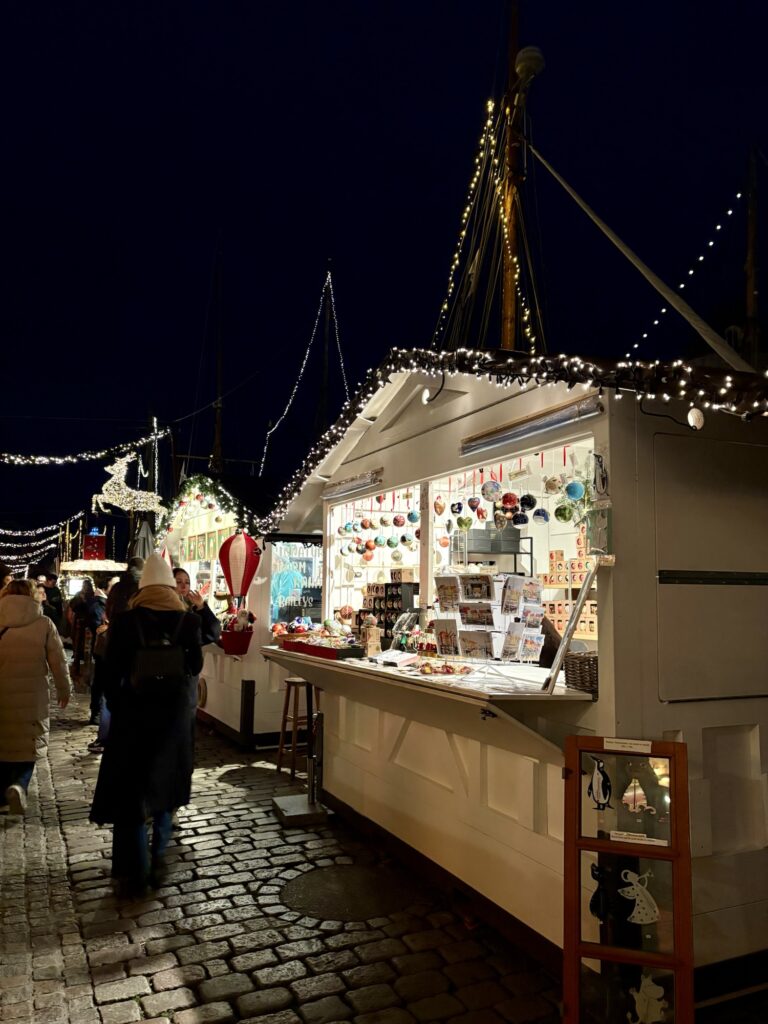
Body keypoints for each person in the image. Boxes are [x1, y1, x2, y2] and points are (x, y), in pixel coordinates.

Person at [90, 553, 202, 896]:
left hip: (135, 716)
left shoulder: (125, 622)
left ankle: (134, 870)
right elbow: (194, 667)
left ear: (143, 588)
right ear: (171, 588)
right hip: (174, 717)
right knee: (166, 787)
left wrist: (120, 705)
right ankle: (159, 854)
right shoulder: (188, 623)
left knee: (131, 790)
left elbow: (110, 673)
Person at [0, 579, 71, 815]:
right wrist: (64, 688)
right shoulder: (43, 623)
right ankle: (19, 785)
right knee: (27, 747)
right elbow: (58, 662)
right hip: (33, 696)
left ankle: (2, 793)